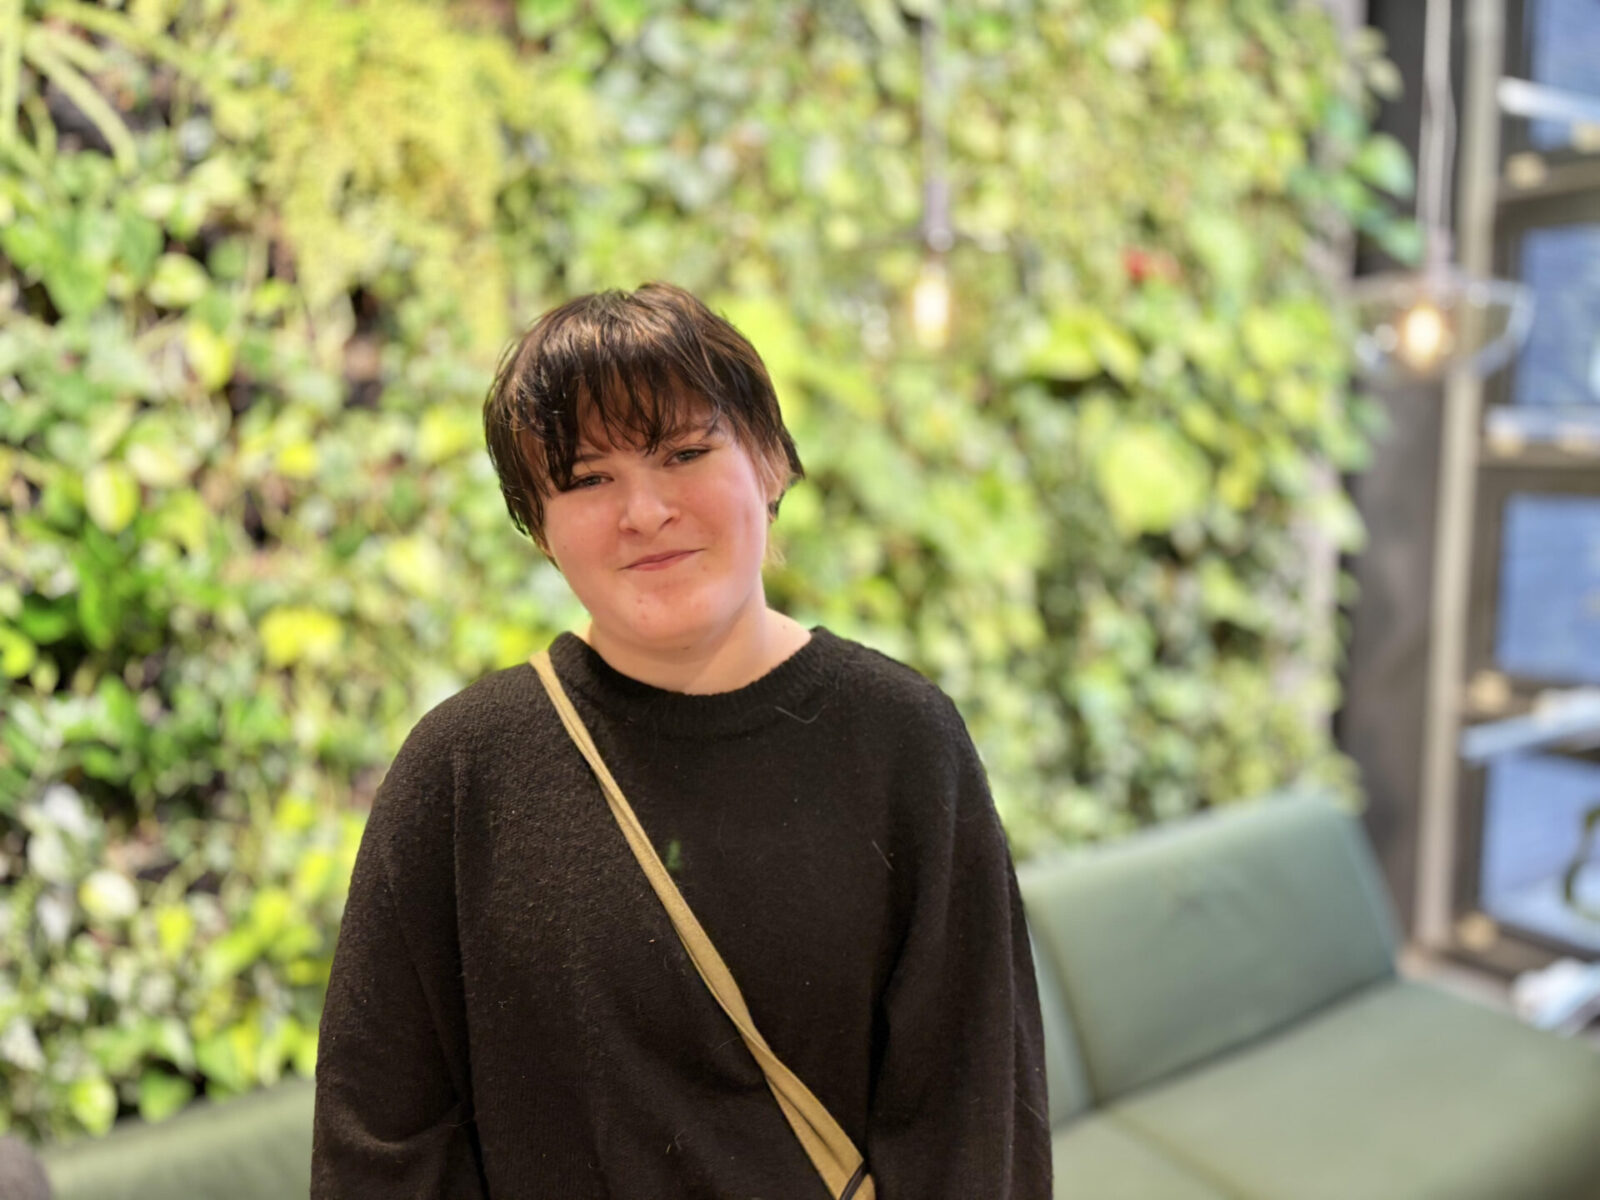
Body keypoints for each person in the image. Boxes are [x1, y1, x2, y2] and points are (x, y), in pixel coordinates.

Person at [310, 281, 1052, 1198]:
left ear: (771, 462)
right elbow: (380, 1144)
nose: (645, 511)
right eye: (587, 478)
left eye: (684, 453)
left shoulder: (905, 742)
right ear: (539, 525)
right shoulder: (461, 772)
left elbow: (977, 1126)